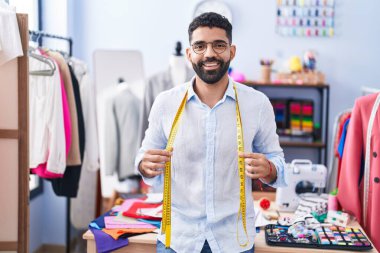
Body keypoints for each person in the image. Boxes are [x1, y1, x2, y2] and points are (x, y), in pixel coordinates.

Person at [135, 12, 286, 253]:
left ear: (232, 51)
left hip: (233, 240)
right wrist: (145, 166)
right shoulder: (166, 103)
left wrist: (270, 169)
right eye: (200, 46)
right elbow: (143, 158)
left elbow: (278, 162)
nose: (209, 54)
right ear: (189, 54)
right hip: (179, 239)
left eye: (219, 45)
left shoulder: (257, 104)